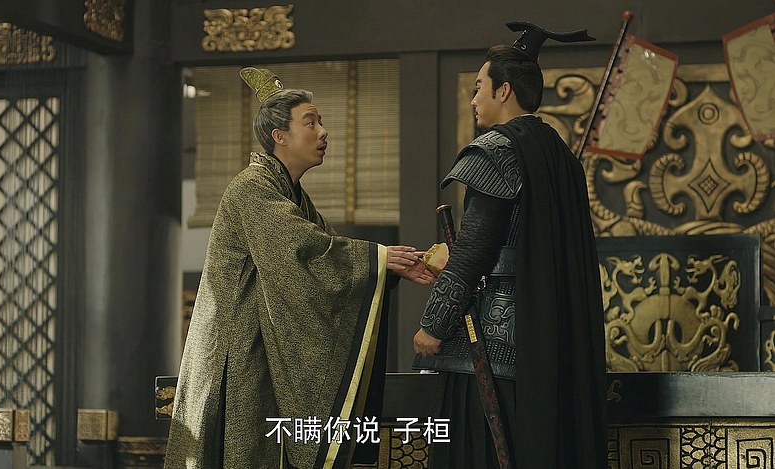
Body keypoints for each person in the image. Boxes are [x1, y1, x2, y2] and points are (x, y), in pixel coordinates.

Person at [165, 67, 434, 469]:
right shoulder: (252, 188)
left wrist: (391, 267)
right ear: (280, 136)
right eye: (311, 122)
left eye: (321, 122)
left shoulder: (292, 196)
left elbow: (326, 254)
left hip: (261, 349)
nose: (323, 132)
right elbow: (302, 251)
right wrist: (378, 258)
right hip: (236, 353)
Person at [412, 22, 607, 468]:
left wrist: (434, 326)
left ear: (503, 91)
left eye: (479, 88)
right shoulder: (562, 157)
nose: (473, 99)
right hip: (555, 344)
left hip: (494, 349)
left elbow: (474, 249)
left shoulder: (495, 150)